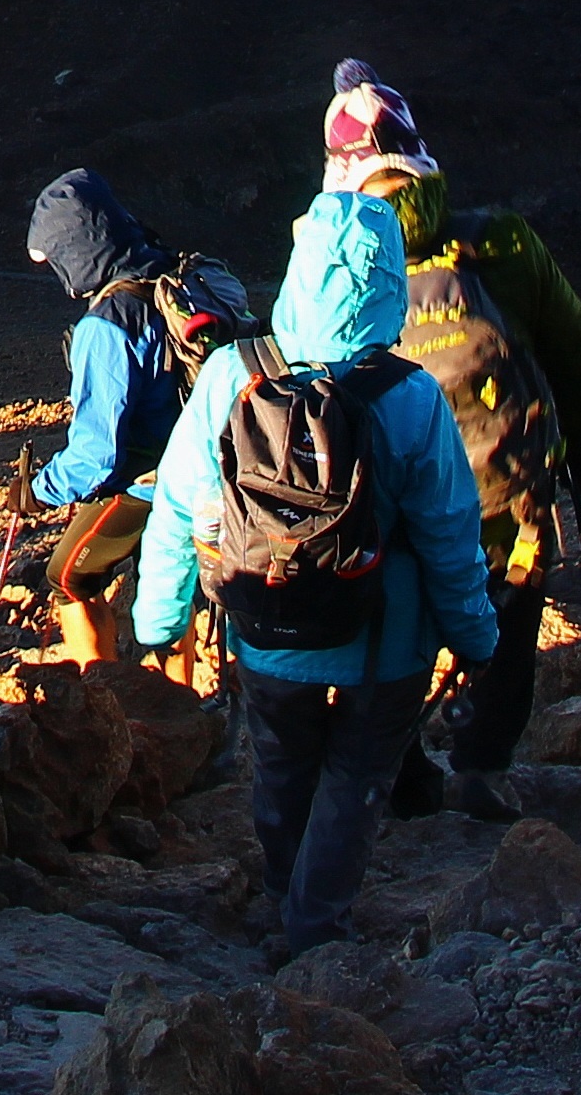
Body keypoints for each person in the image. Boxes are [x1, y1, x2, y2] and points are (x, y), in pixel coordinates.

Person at [132, 154, 498, 961]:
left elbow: (180, 505)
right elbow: (448, 534)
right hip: (386, 642)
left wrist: (158, 619)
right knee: (357, 778)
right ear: (389, 284)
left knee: (282, 762)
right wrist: (475, 638)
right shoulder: (410, 396)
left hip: (264, 624)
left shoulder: (232, 371)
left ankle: (279, 895)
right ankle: (316, 928)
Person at [317, 63, 581, 824]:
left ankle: (405, 772)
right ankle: (483, 765)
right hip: (502, 488)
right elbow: (576, 354)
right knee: (510, 619)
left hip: (392, 503)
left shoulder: (330, 265)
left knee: (396, 625)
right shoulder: (502, 242)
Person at [23, 168, 220, 663]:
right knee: (175, 589)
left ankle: (101, 694)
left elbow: (98, 456)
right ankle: (184, 710)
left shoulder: (108, 323)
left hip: (149, 480)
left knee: (68, 578)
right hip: (216, 470)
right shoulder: (180, 278)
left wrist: (38, 491)